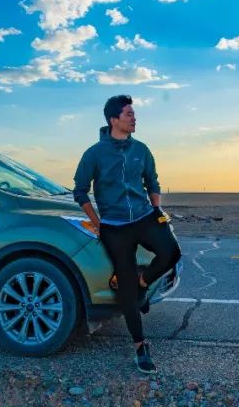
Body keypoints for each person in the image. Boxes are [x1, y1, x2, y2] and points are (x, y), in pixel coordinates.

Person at [73, 94, 181, 374]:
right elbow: (80, 190)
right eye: (129, 114)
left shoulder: (141, 149)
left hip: (145, 216)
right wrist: (96, 222)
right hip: (114, 225)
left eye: (134, 114)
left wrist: (157, 209)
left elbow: (152, 181)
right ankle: (140, 346)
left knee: (172, 252)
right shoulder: (94, 154)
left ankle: (144, 283)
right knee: (126, 290)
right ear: (114, 120)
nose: (135, 118)